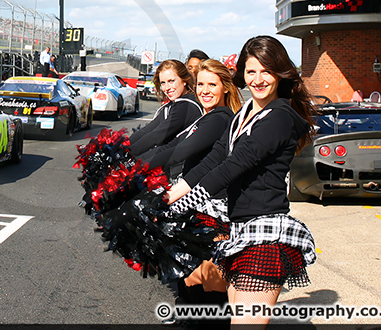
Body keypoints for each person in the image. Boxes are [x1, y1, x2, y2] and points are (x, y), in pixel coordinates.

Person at [164, 35, 316, 328]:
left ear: (280, 73)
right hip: (237, 230)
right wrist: (168, 197)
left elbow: (232, 167)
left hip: (264, 236)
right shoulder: (244, 114)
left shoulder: (280, 116)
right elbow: (212, 161)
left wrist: (179, 207)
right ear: (242, 75)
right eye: (251, 71)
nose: (258, 79)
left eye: (266, 71)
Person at [139, 59, 242, 315]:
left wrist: (133, 168)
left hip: (213, 210)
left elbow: (179, 151)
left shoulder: (220, 118)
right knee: (190, 281)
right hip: (194, 202)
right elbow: (169, 148)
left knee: (209, 289)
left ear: (226, 87)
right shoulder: (208, 116)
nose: (205, 90)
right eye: (201, 84)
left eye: (212, 85)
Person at [129, 60, 203, 156]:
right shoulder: (173, 105)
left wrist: (126, 153)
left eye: (171, 81)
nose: (167, 88)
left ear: (184, 80)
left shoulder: (187, 106)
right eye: (163, 83)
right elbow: (147, 130)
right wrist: (120, 145)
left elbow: (157, 135)